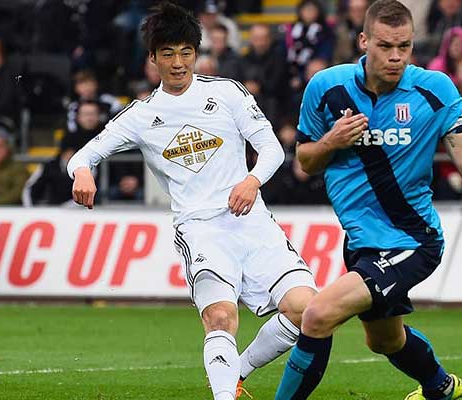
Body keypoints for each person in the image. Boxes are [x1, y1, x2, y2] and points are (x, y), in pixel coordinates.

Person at [274, 1, 462, 399]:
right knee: (383, 341)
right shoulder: (326, 87)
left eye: (405, 46)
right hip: (361, 241)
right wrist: (332, 140)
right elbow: (306, 161)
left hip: (412, 240)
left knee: (317, 315)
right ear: (363, 41)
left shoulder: (434, 90)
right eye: (385, 46)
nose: (395, 56)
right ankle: (439, 386)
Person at [67, 4, 317, 400]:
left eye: (186, 52)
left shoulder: (227, 92)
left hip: (252, 220)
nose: (178, 63)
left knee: (309, 312)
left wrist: (252, 180)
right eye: (168, 53)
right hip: (201, 228)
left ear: (197, 54)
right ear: (152, 58)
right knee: (220, 317)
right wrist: (82, 172)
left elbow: (270, 147)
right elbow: (84, 156)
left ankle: (237, 373)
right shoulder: (141, 115)